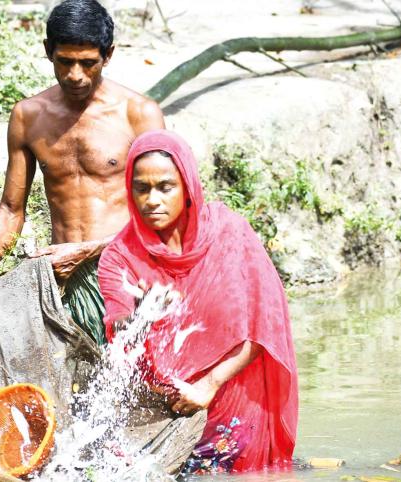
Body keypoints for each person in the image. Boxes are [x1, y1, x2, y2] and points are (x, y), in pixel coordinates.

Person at [97, 130, 298, 473]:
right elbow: (118, 324)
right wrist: (136, 318)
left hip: (238, 399)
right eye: (141, 189)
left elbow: (265, 325)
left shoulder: (228, 232)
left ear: (187, 187)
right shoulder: (120, 256)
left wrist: (210, 384)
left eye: (165, 187)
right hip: (171, 411)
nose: (152, 200)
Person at [0, 0, 165, 345]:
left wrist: (88, 250)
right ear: (48, 52)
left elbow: (168, 212)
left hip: (127, 275)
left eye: (88, 63)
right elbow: (12, 209)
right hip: (62, 277)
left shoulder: (139, 115)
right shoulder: (28, 117)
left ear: (109, 55)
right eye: (65, 61)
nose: (75, 75)